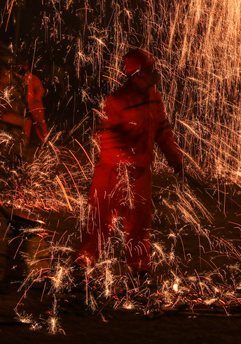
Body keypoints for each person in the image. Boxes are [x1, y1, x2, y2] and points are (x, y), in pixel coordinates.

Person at [75, 48, 184, 282]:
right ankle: (82, 266)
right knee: (101, 222)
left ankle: (139, 271)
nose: (155, 74)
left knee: (139, 225)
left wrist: (176, 160)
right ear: (137, 75)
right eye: (150, 70)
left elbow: (163, 131)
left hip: (140, 173)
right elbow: (107, 138)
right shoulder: (118, 101)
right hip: (112, 172)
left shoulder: (154, 97)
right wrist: (127, 164)